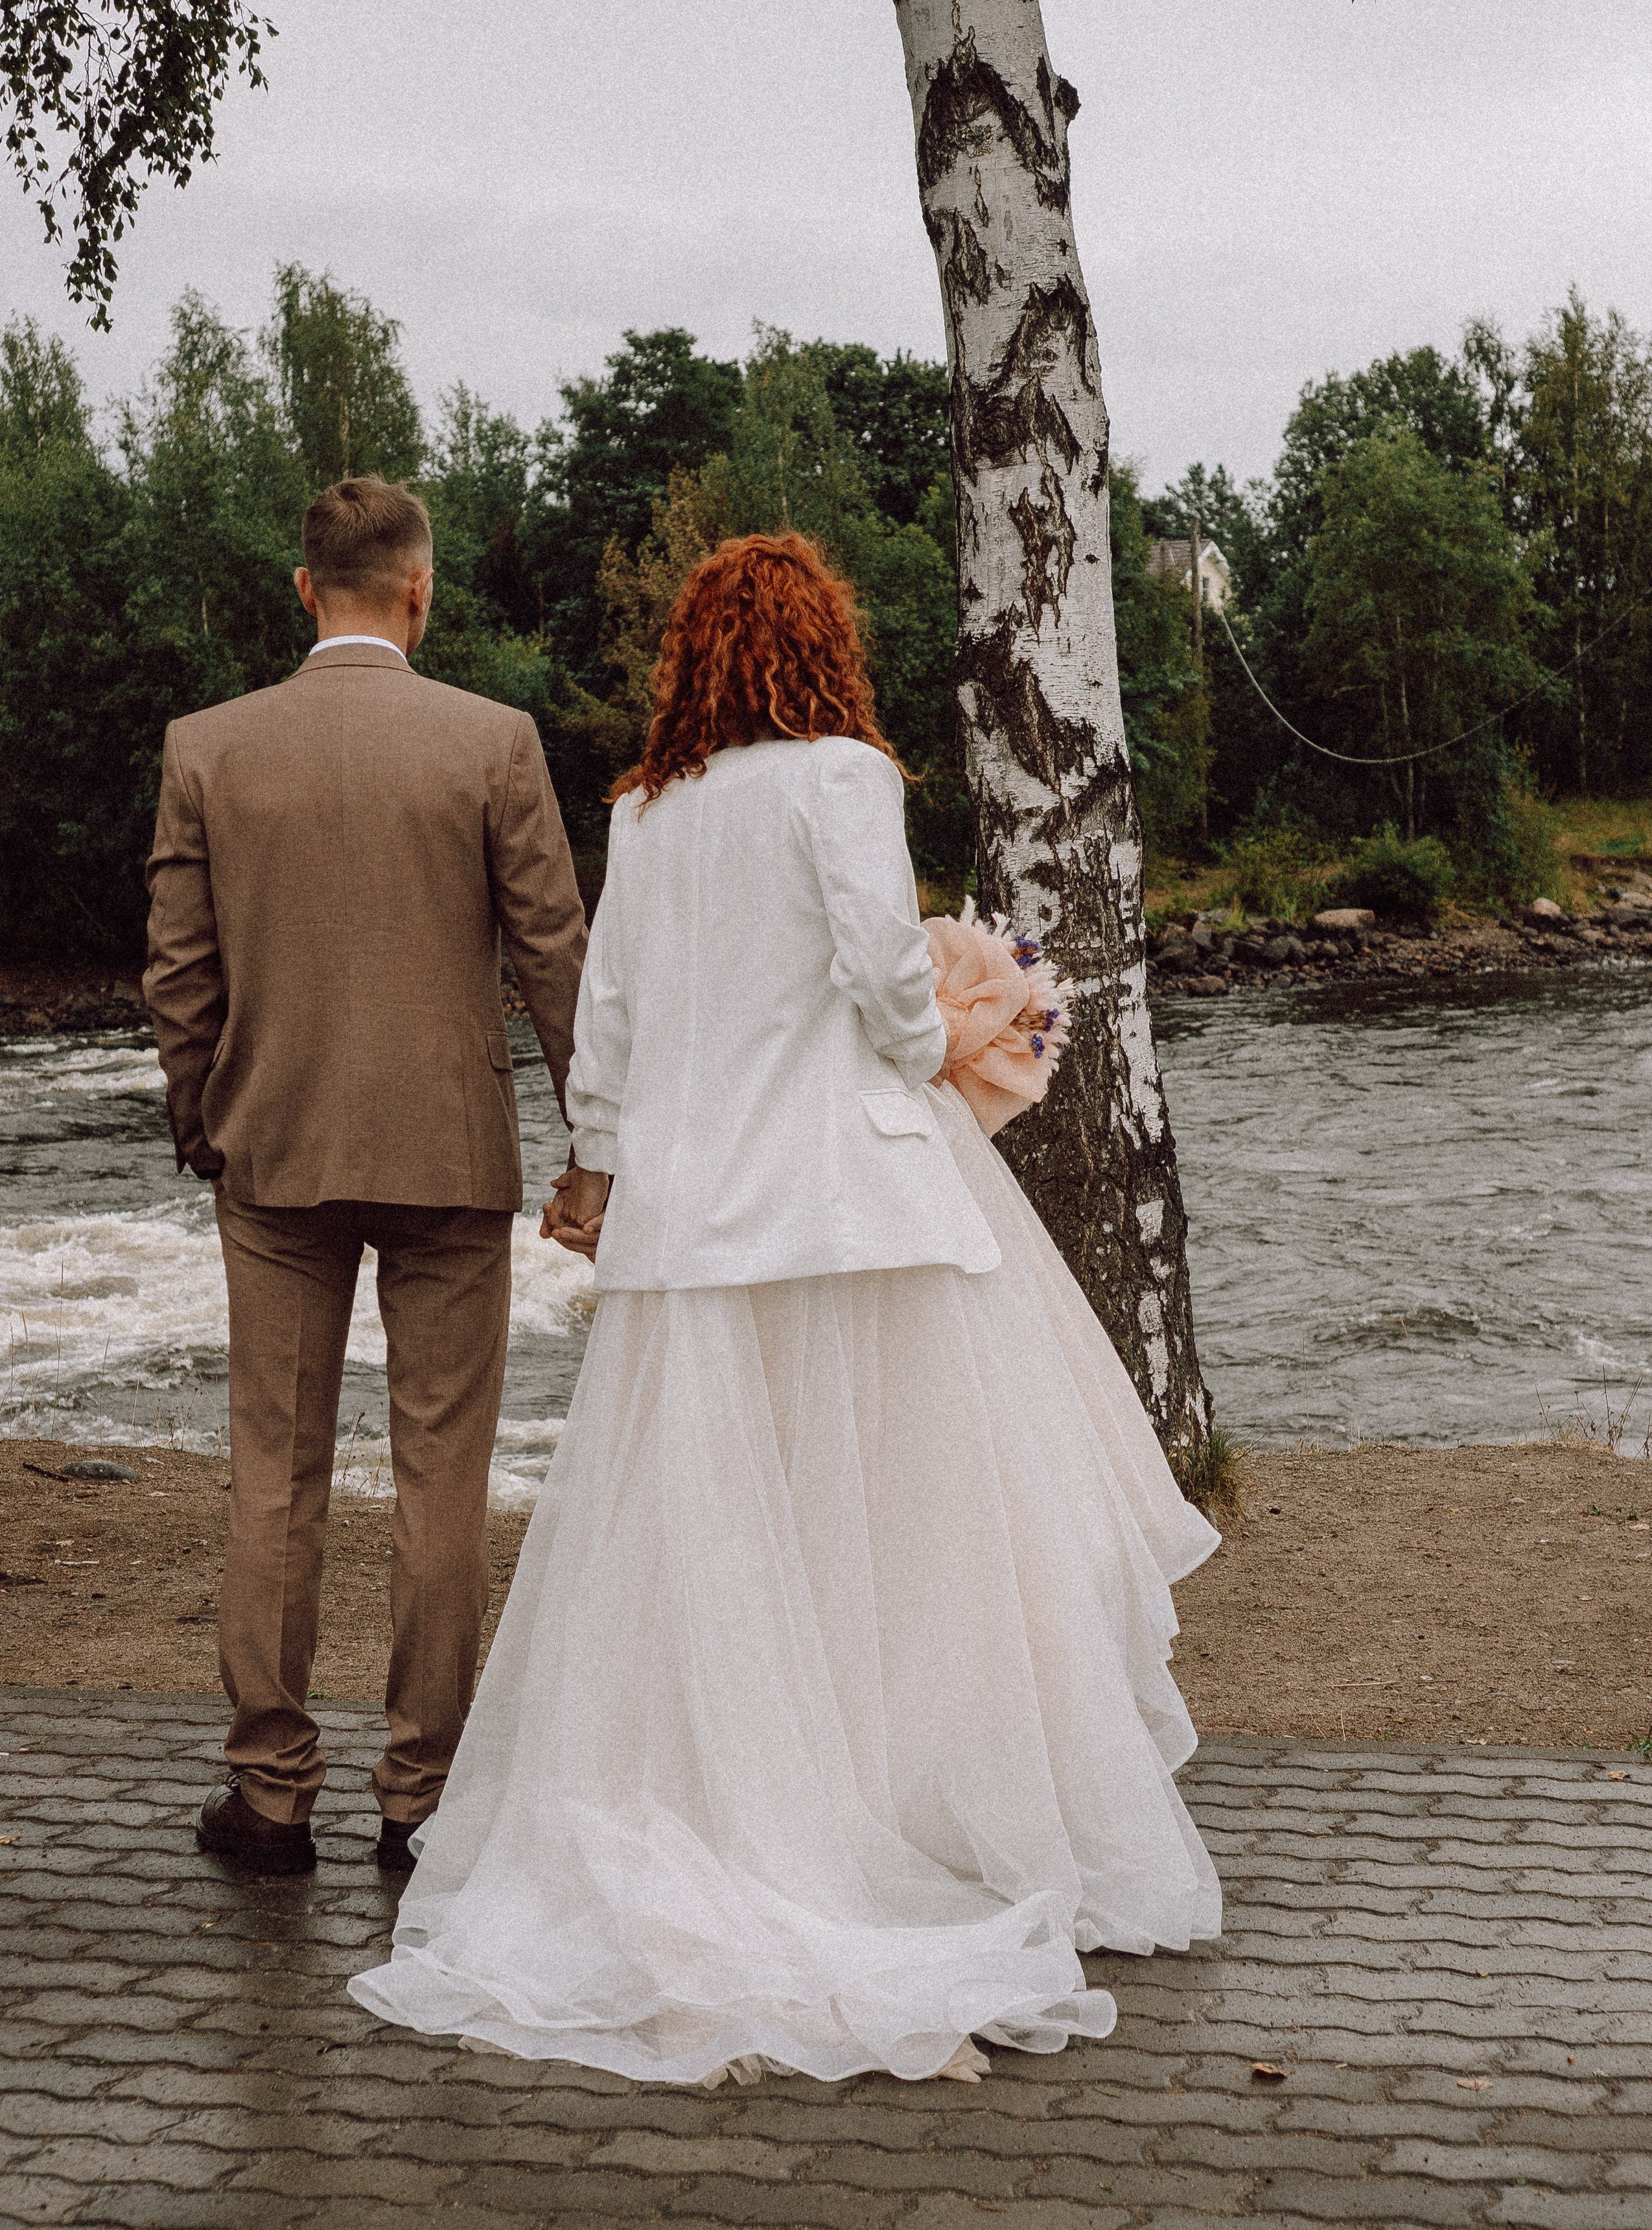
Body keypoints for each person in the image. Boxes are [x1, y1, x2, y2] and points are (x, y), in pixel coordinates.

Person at [349, 532, 1219, 2084]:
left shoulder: (642, 811)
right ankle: (889, 1813)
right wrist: (949, 1024)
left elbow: (604, 1026)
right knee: (892, 1533)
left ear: (693, 657)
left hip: (690, 1230)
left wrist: (601, 1170)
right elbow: (884, 993)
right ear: (820, 649)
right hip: (845, 1210)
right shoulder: (839, 779)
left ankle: (732, 1800)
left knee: (711, 1538)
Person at [143, 475, 587, 1878]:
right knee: (439, 1479)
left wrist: (201, 1109)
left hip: (272, 1154)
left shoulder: (208, 749)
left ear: (300, 589)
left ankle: (271, 1799)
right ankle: (423, 1797)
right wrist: (599, 1145)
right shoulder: (492, 743)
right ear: (418, 590)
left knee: (271, 1472)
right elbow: (557, 960)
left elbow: (178, 972)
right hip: (451, 1156)